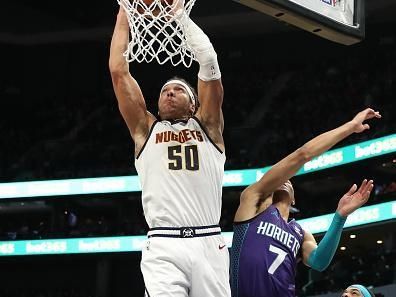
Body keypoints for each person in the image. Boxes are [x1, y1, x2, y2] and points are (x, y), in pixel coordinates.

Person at [109, 2, 230, 297]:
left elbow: (209, 61)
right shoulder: (145, 130)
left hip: (208, 242)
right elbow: (118, 70)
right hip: (163, 245)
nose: (169, 93)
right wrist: (125, 11)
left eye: (178, 90)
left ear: (194, 103)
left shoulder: (209, 126)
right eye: (165, 91)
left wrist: (180, 17)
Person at [230, 108, 381, 297]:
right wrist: (350, 127)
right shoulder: (253, 202)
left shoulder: (301, 234)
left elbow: (319, 262)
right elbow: (303, 155)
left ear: (294, 199)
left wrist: (340, 217)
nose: (284, 180)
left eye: (289, 180)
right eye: (279, 178)